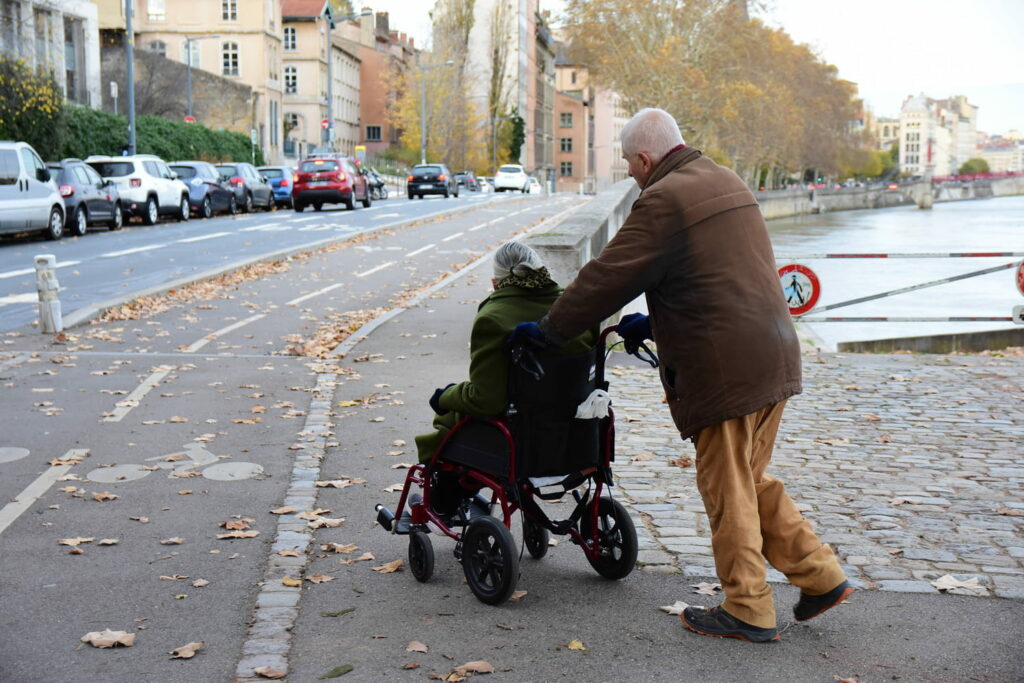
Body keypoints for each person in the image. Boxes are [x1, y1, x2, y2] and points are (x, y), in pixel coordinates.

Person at [512, 108, 852, 642]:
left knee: (726, 488)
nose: (629, 173)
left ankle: (747, 607)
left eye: (629, 162)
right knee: (748, 478)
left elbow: (607, 276)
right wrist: (660, 318)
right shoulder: (725, 179)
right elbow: (718, 271)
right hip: (774, 353)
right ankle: (820, 575)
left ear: (646, 159)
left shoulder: (664, 199)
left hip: (728, 372)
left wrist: (549, 330)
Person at [415, 242, 596, 511]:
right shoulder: (577, 308)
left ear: (496, 283)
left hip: (523, 432)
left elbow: (486, 400)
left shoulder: (494, 318)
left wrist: (446, 396)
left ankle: (450, 496)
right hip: (578, 430)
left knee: (449, 418)